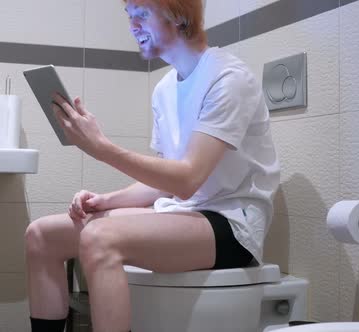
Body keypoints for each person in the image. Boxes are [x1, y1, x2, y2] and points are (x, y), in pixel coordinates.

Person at [24, 0, 280, 331]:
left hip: (232, 224)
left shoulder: (229, 79)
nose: (132, 26)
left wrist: (101, 148)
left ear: (178, 14)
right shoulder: (164, 89)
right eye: (129, 16)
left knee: (100, 237)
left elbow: (187, 179)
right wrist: (108, 200)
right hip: (183, 211)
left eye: (142, 15)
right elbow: (166, 179)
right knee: (42, 235)